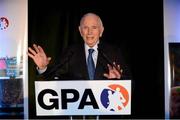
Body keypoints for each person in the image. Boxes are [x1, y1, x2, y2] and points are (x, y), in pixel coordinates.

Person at [28, 12, 131, 119]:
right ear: (80, 31)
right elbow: (52, 80)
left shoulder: (113, 52)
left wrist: (117, 81)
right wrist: (43, 68)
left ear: (101, 31)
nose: (89, 32)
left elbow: (129, 83)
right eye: (85, 27)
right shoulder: (70, 52)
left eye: (94, 27)